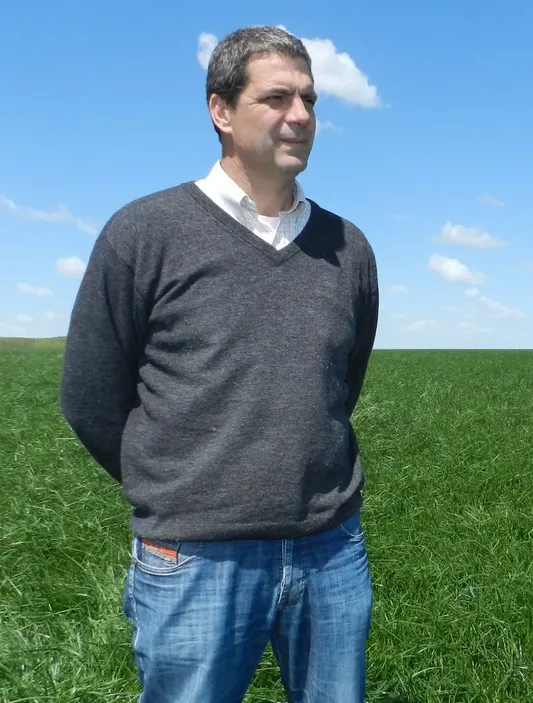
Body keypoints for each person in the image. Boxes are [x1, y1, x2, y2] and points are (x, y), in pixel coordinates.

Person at [59, 25, 379, 702]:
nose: (301, 116)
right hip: (195, 557)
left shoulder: (348, 249)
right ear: (221, 110)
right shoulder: (145, 233)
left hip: (330, 550)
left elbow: (336, 387)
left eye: (311, 100)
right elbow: (89, 396)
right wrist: (180, 483)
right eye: (277, 98)